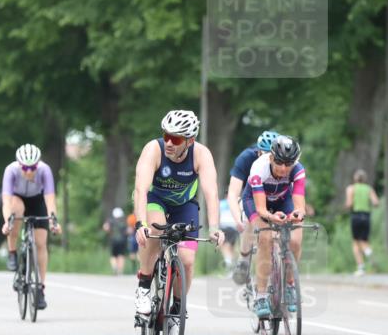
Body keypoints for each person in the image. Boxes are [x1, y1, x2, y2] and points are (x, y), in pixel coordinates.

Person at [132, 110, 224, 317]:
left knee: (187, 260)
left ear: (189, 141)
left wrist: (215, 227)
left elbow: (211, 193)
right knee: (154, 233)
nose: (169, 143)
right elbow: (141, 189)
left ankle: (177, 309)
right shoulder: (153, 150)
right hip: (155, 200)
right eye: (166, 136)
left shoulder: (201, 154)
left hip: (184, 205)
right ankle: (144, 287)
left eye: (175, 138)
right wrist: (140, 224)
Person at [247, 135, 306, 317]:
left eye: (288, 164)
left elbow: (299, 205)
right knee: (265, 238)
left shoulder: (298, 170)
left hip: (282, 200)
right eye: (279, 162)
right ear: (271, 158)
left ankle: (289, 285)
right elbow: (262, 209)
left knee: (295, 240)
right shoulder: (258, 168)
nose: (283, 168)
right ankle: (261, 296)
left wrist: (297, 214)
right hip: (257, 201)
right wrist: (271, 217)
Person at [0, 143, 62, 310]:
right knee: (17, 211)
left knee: (41, 242)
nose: (29, 171)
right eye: (25, 167)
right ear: (19, 164)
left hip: (37, 199)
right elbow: (6, 201)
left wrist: (53, 221)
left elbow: (50, 199)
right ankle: (12, 252)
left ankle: (40, 288)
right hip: (15, 198)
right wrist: (7, 222)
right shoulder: (11, 170)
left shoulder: (45, 170)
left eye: (32, 167)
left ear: (38, 164)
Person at [228, 130, 279, 284]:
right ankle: (244, 259)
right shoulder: (246, 158)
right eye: (264, 155)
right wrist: (238, 219)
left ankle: (280, 274)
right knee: (249, 221)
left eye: (272, 156)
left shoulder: (282, 161)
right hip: (249, 194)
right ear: (258, 152)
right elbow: (233, 193)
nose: (269, 160)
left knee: (278, 235)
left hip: (273, 195)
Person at [345, 169, 379, 275]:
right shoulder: (369, 189)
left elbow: (349, 204)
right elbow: (376, 203)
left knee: (356, 242)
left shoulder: (351, 188)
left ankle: (361, 267)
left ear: (355, 178)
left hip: (356, 216)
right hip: (366, 216)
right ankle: (370, 254)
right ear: (365, 179)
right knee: (364, 241)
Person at [103, 207, 129, 275]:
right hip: (122, 241)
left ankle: (114, 267)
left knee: (113, 256)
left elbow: (106, 227)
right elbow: (128, 231)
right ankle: (120, 271)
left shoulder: (110, 221)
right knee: (121, 255)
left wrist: (109, 232)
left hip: (113, 240)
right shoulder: (124, 221)